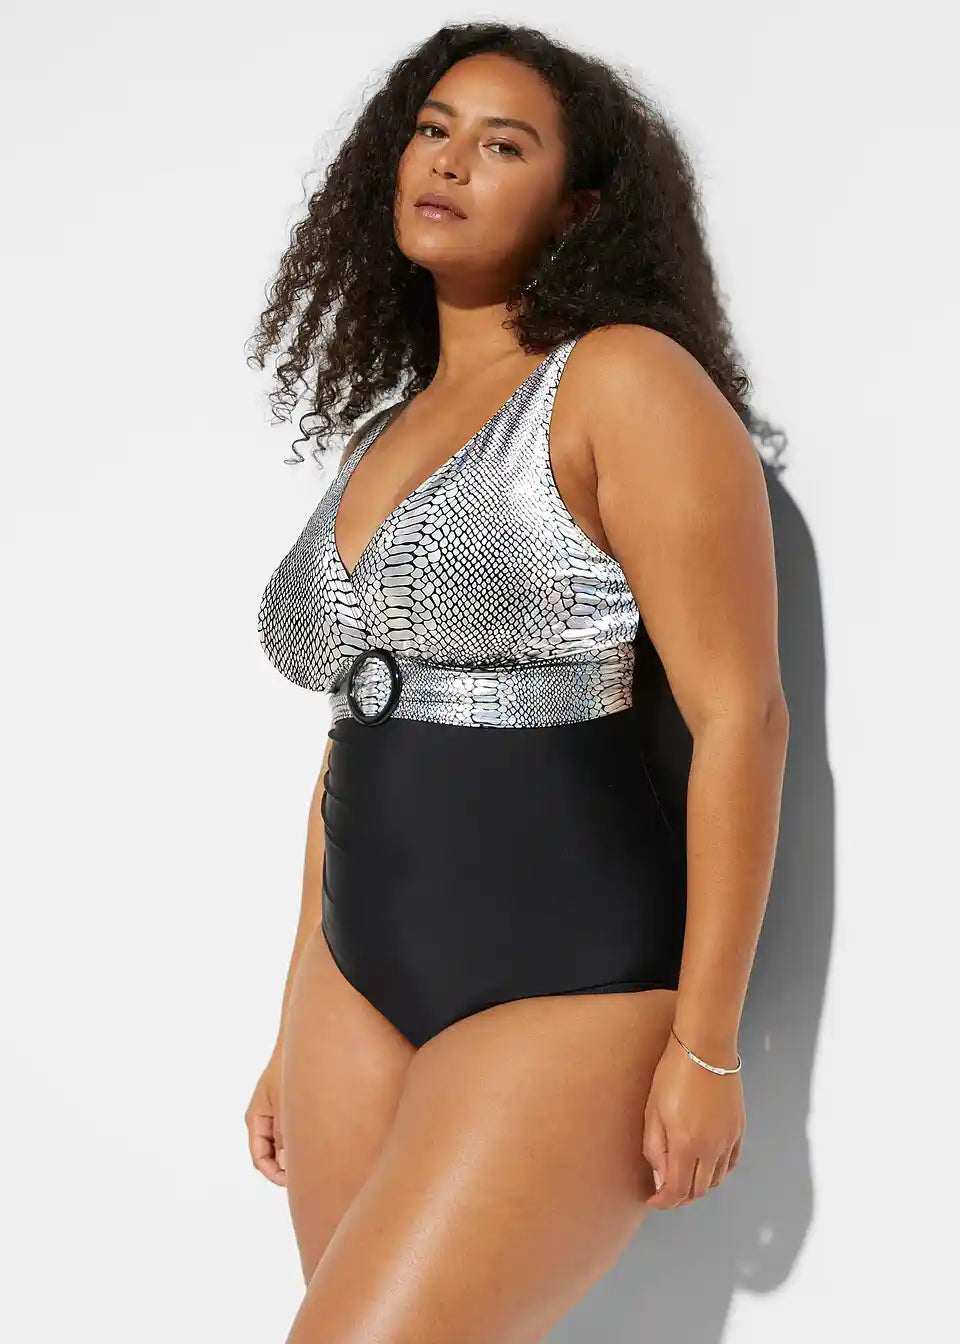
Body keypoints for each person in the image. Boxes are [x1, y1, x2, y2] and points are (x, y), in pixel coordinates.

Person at [245, 21, 789, 1343]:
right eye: (433, 130)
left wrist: (708, 1042)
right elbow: (355, 731)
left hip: (569, 983)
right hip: (352, 981)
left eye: (503, 146)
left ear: (578, 207)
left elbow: (741, 720)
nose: (449, 162)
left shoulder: (623, 382)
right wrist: (287, 1019)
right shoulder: (385, 428)